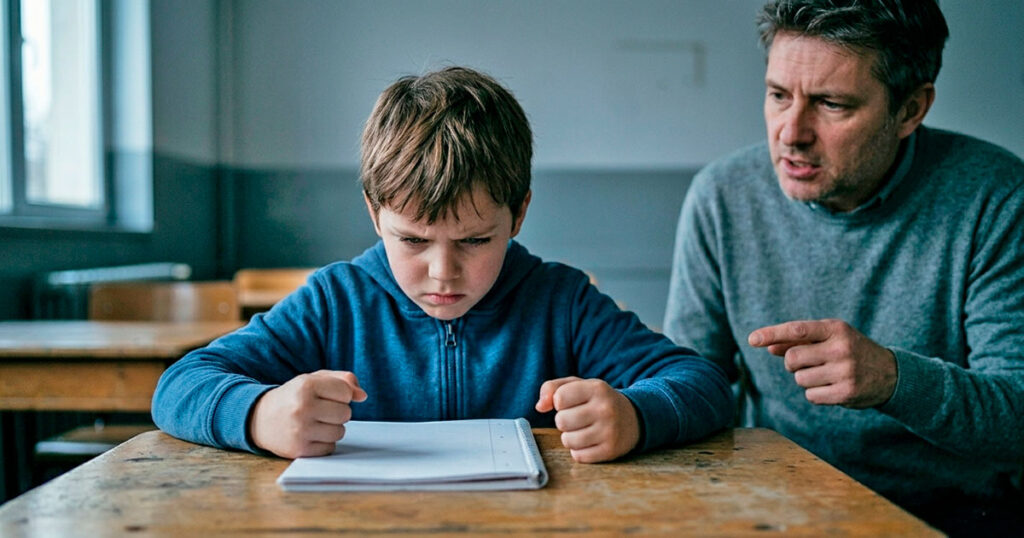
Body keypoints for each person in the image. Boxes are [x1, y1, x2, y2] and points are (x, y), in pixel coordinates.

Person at [153, 66, 733, 465]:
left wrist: (634, 414)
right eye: (412, 240)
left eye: (476, 240)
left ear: (520, 213)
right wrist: (259, 414)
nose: (442, 273)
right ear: (375, 215)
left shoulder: (562, 302)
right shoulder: (335, 300)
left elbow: (703, 383)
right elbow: (180, 385)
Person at [663, 0, 1024, 534]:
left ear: (910, 110)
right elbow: (692, 380)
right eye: (778, 95)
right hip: (775, 507)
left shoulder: (996, 198)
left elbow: (1017, 417)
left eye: (831, 104)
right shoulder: (721, 196)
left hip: (956, 516)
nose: (791, 132)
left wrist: (892, 379)